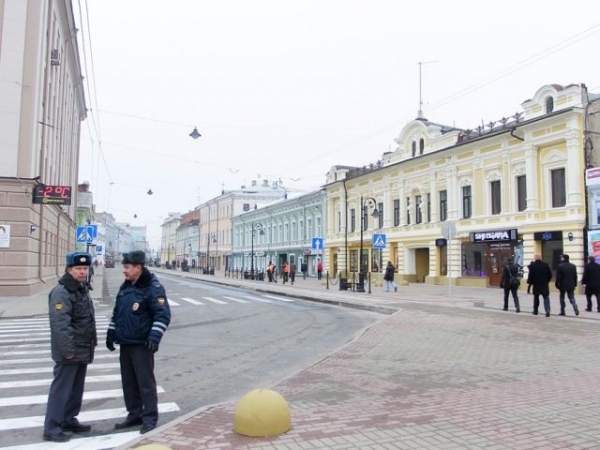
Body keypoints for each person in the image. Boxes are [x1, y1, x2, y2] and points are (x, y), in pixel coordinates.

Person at [107, 251, 171, 435]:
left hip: (142, 345)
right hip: (126, 342)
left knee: (145, 383)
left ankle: (150, 417)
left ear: (138, 267)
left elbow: (163, 315)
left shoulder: (153, 287)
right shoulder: (126, 287)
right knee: (129, 383)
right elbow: (118, 312)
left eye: (127, 267)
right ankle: (134, 414)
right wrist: (111, 332)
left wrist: (154, 337)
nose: (124, 271)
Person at [43, 251, 96, 443]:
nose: (82, 272)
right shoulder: (62, 291)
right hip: (70, 351)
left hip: (82, 348)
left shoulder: (81, 288)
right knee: (61, 390)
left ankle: (68, 419)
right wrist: (68, 351)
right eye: (78, 269)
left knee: (75, 389)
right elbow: (60, 325)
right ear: (69, 269)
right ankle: (52, 427)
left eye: (85, 268)